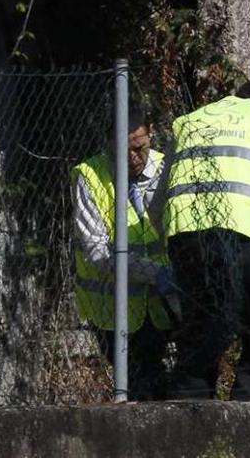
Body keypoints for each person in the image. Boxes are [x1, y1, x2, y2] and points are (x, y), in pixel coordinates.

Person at [153, 79, 250, 400]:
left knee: (197, 352)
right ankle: (246, 441)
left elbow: (157, 206)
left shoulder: (189, 122)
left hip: (188, 240)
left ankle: (190, 437)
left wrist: (175, 248)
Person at [72, 105, 176, 400]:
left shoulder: (167, 168)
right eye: (122, 151)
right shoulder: (90, 176)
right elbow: (97, 251)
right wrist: (155, 273)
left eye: (139, 148)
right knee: (139, 388)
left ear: (151, 134)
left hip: (164, 306)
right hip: (113, 311)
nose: (132, 159)